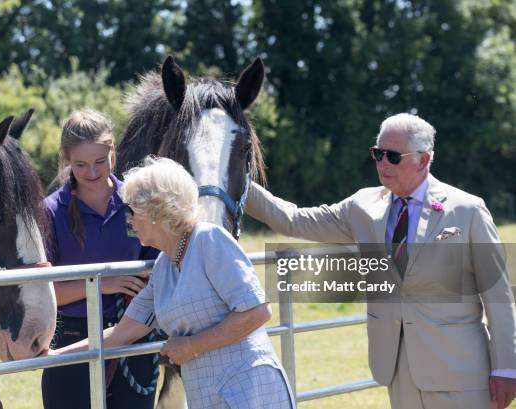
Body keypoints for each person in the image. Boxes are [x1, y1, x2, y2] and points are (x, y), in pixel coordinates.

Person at [245, 113, 516, 409]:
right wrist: (234, 180)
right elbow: (293, 220)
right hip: (397, 372)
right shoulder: (361, 206)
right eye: (378, 154)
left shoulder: (468, 210)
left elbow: (499, 294)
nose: (382, 163)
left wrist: (506, 368)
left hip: (461, 374)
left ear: (424, 160)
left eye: (393, 156)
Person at [53, 156, 296, 409]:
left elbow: (257, 311)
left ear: (156, 211)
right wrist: (53, 356)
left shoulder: (208, 239)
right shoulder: (163, 266)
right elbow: (121, 333)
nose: (129, 220)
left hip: (249, 389)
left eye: (132, 211)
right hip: (208, 395)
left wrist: (192, 345)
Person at [42, 109, 158, 409]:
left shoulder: (140, 203)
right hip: (71, 336)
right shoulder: (48, 212)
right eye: (80, 164)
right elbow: (42, 293)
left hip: (133, 334)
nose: (92, 172)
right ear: (66, 160)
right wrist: (101, 285)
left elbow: (161, 269)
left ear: (113, 153)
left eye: (99, 162)